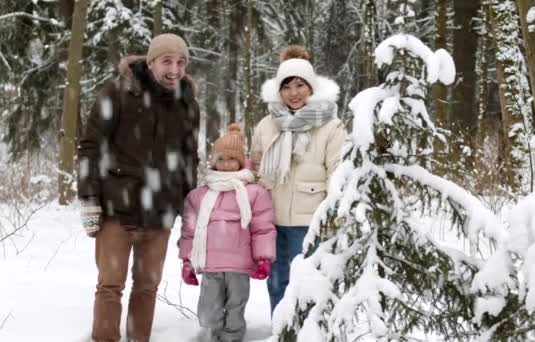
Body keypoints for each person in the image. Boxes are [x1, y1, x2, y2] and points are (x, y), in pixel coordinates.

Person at [77, 33, 200, 342]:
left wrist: (189, 207)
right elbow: (91, 146)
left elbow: (189, 159)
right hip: (117, 207)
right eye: (167, 61)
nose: (175, 69)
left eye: (181, 62)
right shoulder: (119, 93)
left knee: (147, 287)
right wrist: (89, 197)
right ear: (151, 61)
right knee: (110, 284)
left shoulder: (187, 104)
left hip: (160, 213)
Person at [250, 45, 348, 314]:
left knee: (307, 284)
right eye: (286, 87)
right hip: (271, 220)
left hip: (309, 222)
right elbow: (256, 169)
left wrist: (332, 218)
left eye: (300, 85)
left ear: (311, 87)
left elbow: (338, 175)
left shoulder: (330, 125)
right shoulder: (266, 124)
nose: (293, 93)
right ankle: (280, 331)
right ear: (278, 91)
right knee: (277, 280)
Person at [178, 123, 276, 342]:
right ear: (213, 162)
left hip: (239, 264)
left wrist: (263, 258)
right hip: (211, 262)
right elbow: (189, 231)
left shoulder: (254, 193)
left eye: (232, 159)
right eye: (220, 159)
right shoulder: (198, 195)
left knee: (235, 308)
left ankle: (232, 338)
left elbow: (263, 228)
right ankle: (212, 336)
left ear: (241, 161)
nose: (226, 164)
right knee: (208, 310)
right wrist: (187, 260)